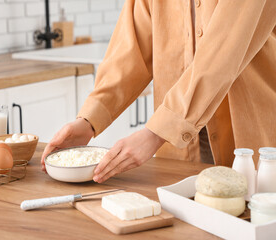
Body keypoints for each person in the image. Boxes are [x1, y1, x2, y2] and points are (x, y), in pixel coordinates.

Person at [41, 0, 276, 183]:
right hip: (179, 149)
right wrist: (89, 120)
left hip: (249, 138)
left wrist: (156, 133)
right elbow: (131, 50)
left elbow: (222, 55)